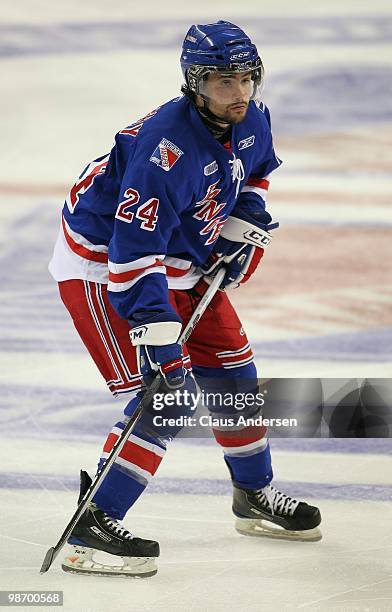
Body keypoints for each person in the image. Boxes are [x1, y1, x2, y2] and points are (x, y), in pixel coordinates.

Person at [49, 20, 322, 577]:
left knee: (233, 376)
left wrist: (243, 220)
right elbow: (132, 252)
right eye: (224, 82)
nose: (240, 93)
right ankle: (92, 526)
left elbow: (255, 174)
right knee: (165, 395)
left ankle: (253, 495)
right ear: (195, 84)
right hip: (105, 265)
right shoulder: (164, 152)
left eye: (247, 78)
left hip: (175, 255)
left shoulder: (252, 118)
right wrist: (157, 337)